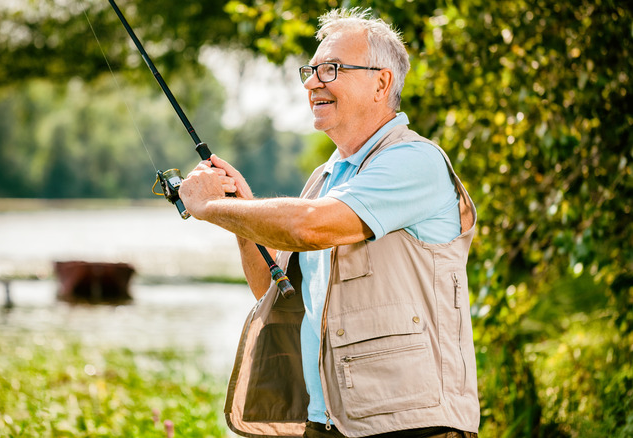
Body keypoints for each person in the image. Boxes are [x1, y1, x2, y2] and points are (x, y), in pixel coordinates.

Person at [179, 7, 480, 438]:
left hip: (412, 426)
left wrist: (209, 207)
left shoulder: (415, 161)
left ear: (382, 83)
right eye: (311, 70)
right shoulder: (325, 178)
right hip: (327, 423)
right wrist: (240, 212)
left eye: (331, 69)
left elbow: (309, 228)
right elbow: (274, 289)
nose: (311, 82)